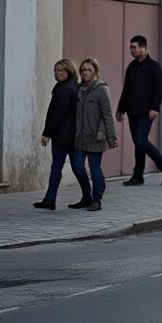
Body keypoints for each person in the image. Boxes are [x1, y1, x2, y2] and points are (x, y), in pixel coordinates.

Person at [116, 35, 162, 187]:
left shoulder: (154, 66)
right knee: (138, 143)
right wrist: (121, 109)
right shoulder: (132, 67)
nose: (131, 50)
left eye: (134, 47)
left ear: (143, 48)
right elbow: (126, 89)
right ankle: (138, 176)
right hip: (132, 111)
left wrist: (155, 108)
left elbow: (159, 88)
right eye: (130, 47)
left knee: (141, 140)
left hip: (146, 112)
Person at [34, 59, 89, 210]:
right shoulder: (68, 87)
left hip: (64, 136)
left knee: (62, 167)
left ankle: (52, 199)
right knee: (73, 167)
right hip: (69, 135)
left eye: (62, 70)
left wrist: (47, 133)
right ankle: (52, 198)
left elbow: (57, 115)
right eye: (56, 70)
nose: (58, 73)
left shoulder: (65, 90)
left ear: (69, 71)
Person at [72, 58, 117, 212]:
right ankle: (87, 195)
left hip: (96, 135)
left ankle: (96, 199)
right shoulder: (79, 89)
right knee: (77, 167)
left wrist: (106, 134)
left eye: (89, 70)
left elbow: (107, 114)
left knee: (94, 167)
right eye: (83, 70)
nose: (86, 73)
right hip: (80, 136)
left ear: (96, 72)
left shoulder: (101, 89)